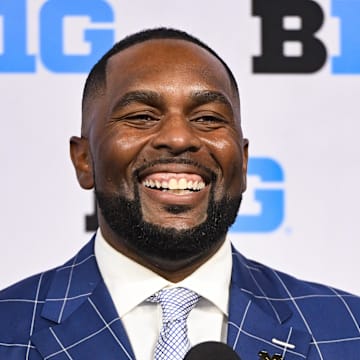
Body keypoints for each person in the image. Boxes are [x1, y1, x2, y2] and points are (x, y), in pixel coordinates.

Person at [0, 28, 359, 360]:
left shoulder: (348, 328)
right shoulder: (9, 327)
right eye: (141, 116)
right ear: (84, 160)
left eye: (207, 118)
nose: (178, 138)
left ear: (244, 161)